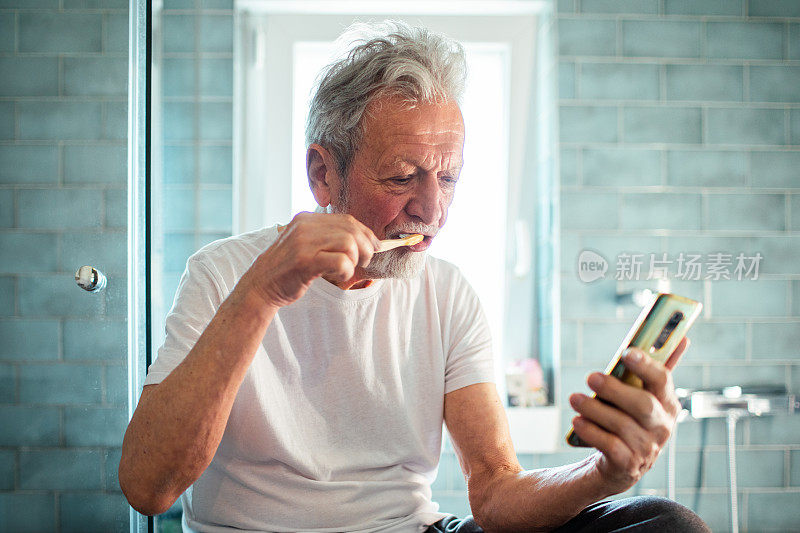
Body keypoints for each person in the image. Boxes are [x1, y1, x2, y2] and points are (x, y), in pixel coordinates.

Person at [119, 21, 710, 533]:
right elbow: (149, 488)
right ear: (324, 176)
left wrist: (602, 474)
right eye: (403, 177)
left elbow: (496, 494)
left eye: (447, 178)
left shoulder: (448, 293)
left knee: (664, 526)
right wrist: (262, 293)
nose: (432, 211)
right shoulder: (223, 273)